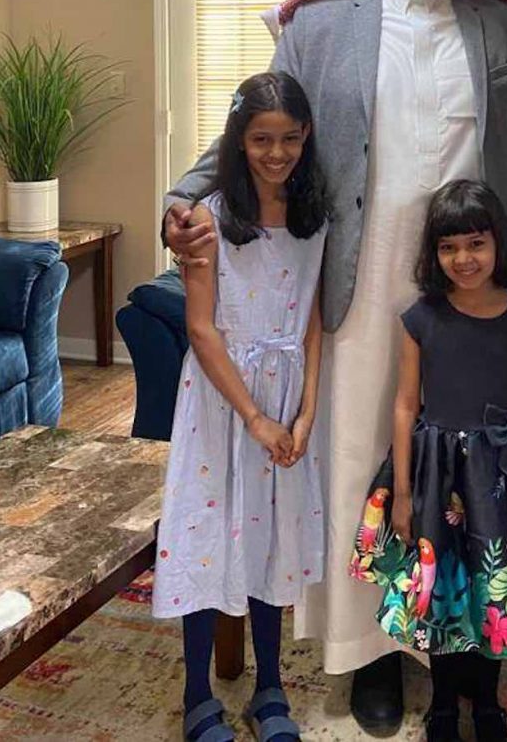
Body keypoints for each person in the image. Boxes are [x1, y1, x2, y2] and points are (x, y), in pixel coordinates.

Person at [163, 0, 507, 732]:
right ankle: (369, 651)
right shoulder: (319, 25)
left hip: (465, 283)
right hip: (357, 284)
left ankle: (451, 650)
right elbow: (254, 127)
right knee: (356, 460)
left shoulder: (497, 23)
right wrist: (180, 201)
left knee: (459, 466)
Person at [350, 180, 507, 741]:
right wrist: (405, 493)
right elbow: (407, 403)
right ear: (435, 254)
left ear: (497, 245)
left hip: (503, 478)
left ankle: (487, 702)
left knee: (495, 590)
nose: (464, 259)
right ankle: (440, 705)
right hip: (437, 477)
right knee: (444, 593)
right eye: (449, 247)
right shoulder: (422, 319)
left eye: (476, 244)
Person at [152, 72, 329, 742]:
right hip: (223, 404)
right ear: (240, 140)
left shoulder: (317, 219)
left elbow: (314, 320)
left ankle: (271, 688)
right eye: (261, 139)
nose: (276, 152)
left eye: (288, 138)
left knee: (269, 538)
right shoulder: (208, 219)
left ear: (306, 136)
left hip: (286, 401)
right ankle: (198, 693)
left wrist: (305, 413)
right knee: (209, 535)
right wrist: (253, 416)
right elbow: (201, 328)